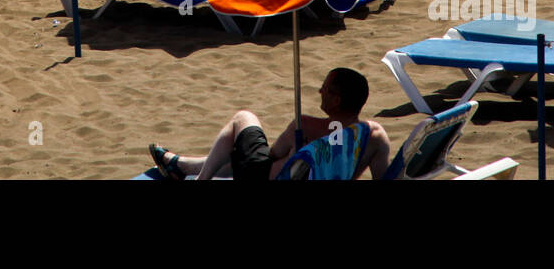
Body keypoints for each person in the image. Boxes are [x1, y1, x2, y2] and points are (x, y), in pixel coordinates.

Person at [147, 68, 392, 180]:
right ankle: (183, 165)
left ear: (336, 100)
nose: (319, 91)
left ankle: (199, 176)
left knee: (243, 119)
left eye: (325, 89)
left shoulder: (305, 126)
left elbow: (272, 154)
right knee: (248, 151)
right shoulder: (375, 137)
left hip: (261, 177)